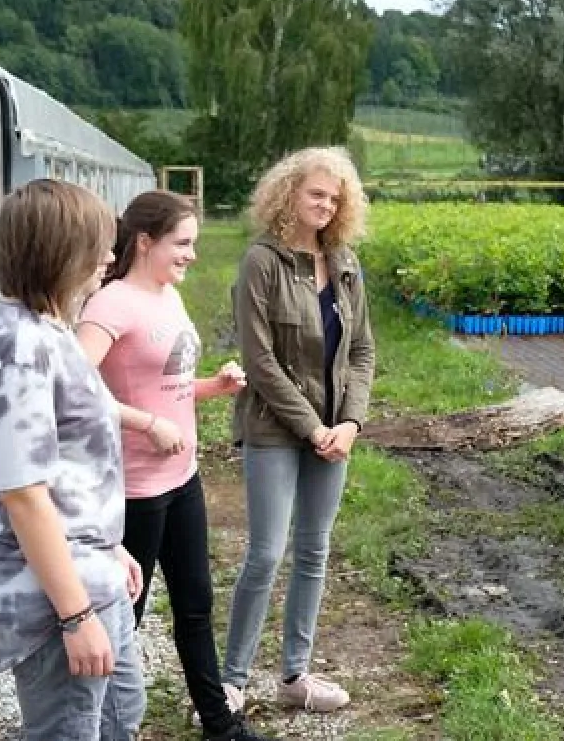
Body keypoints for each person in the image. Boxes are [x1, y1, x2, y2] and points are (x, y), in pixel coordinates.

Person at [76, 190, 275, 741]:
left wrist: (212, 386)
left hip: (181, 478)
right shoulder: (110, 304)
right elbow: (73, 390)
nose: (191, 255)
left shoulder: (166, 294)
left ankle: (219, 722)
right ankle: (98, 723)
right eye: (182, 243)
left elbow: (165, 383)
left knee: (195, 604)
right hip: (134, 488)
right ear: (144, 242)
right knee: (125, 616)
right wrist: (146, 424)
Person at [0, 180, 145, 740]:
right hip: (54, 594)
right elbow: (23, 495)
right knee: (68, 729)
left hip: (88, 569)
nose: (111, 258)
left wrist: (109, 543)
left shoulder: (44, 327)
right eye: (99, 245)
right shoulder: (19, 348)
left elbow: (64, 465)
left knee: (119, 716)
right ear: (60, 252)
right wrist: (76, 615)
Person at [222, 147, 375, 711]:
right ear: (288, 193)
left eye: (335, 199)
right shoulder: (261, 261)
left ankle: (295, 678)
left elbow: (362, 351)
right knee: (265, 553)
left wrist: (351, 422)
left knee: (314, 551)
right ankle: (231, 682)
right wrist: (313, 427)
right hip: (274, 429)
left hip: (335, 431)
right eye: (317, 194)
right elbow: (259, 362)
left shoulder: (346, 263)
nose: (326, 206)